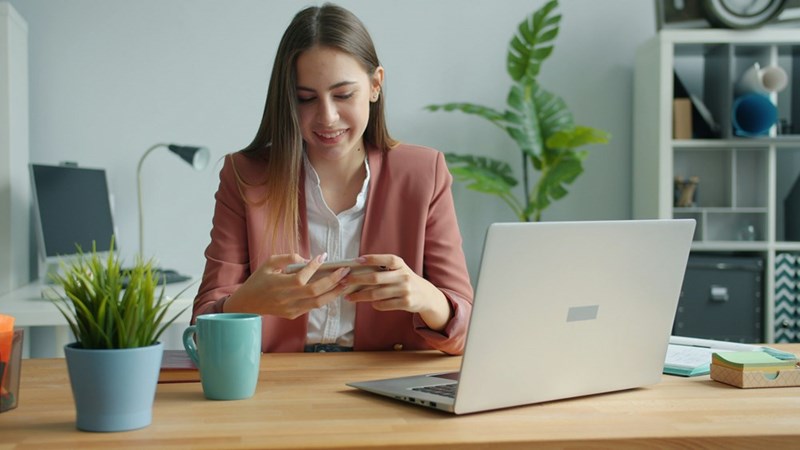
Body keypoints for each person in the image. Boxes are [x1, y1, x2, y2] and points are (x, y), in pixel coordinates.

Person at [193, 3, 473, 354]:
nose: (326, 117)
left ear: (375, 85)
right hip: (275, 384)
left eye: (343, 95)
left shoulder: (423, 173)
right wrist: (245, 304)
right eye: (305, 98)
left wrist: (427, 298)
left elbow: (467, 329)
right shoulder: (245, 176)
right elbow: (201, 329)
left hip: (383, 384)